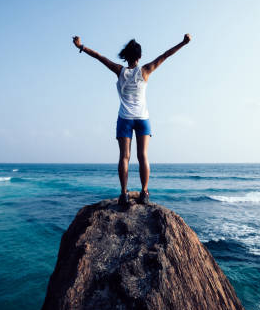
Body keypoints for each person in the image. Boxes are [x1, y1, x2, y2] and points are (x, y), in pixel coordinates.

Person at [71, 34, 191, 206]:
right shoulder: (146, 70)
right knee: (143, 156)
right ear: (139, 56)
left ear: (126, 56)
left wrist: (81, 46)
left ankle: (124, 193)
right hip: (142, 118)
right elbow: (165, 55)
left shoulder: (119, 70)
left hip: (125, 119)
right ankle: (144, 192)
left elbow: (99, 57)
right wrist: (183, 43)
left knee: (124, 157)